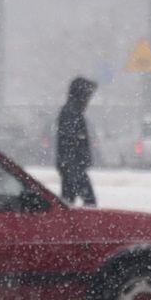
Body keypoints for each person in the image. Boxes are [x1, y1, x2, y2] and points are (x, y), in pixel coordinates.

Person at [55, 75, 99, 206]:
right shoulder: (71, 113)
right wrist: (75, 167)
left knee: (68, 203)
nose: (88, 99)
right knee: (88, 203)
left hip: (71, 165)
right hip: (73, 166)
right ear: (81, 95)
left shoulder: (72, 112)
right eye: (87, 95)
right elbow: (70, 143)